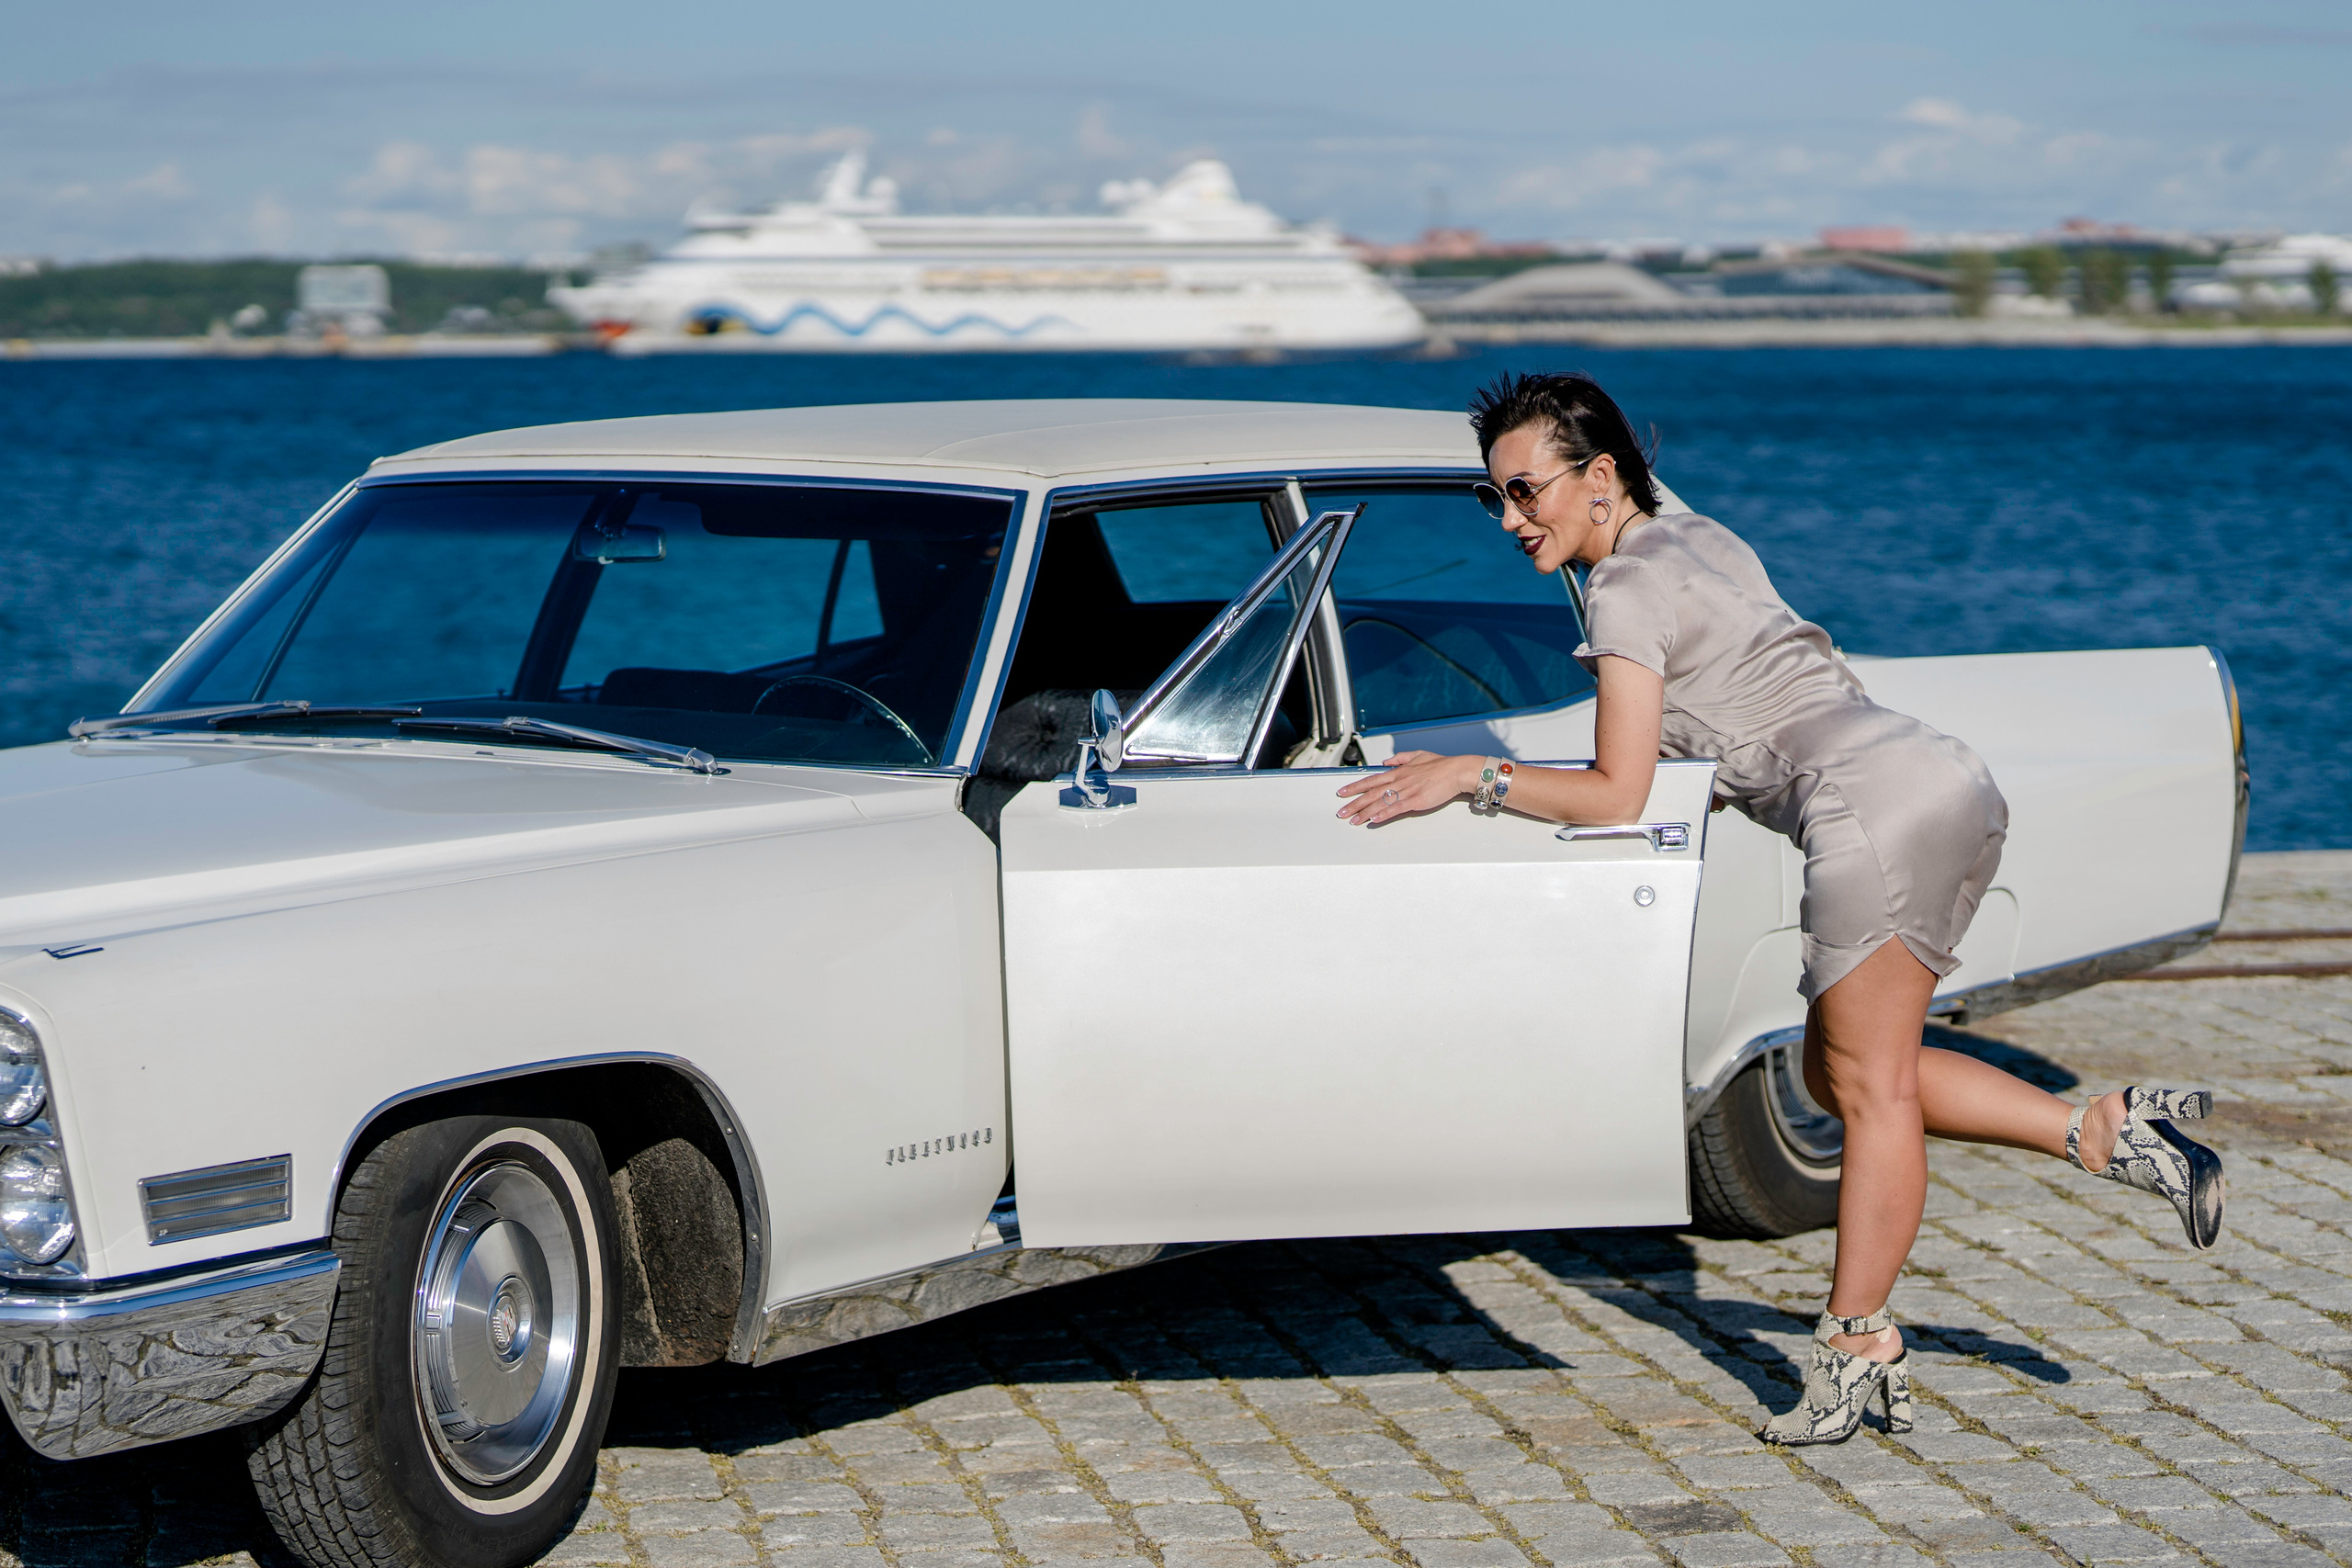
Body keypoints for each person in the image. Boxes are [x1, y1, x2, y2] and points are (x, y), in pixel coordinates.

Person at [1335, 371, 2226, 1447]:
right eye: (1495, 499)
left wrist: (1468, 777)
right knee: (1835, 1068)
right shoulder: (1699, 534)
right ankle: (2106, 1131)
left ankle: (1856, 1348)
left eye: (1525, 492)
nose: (1511, 519)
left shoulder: (1620, 591)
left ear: (1599, 476)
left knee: (1870, 1095)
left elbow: (1617, 792)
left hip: (1868, 815)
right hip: (1939, 772)